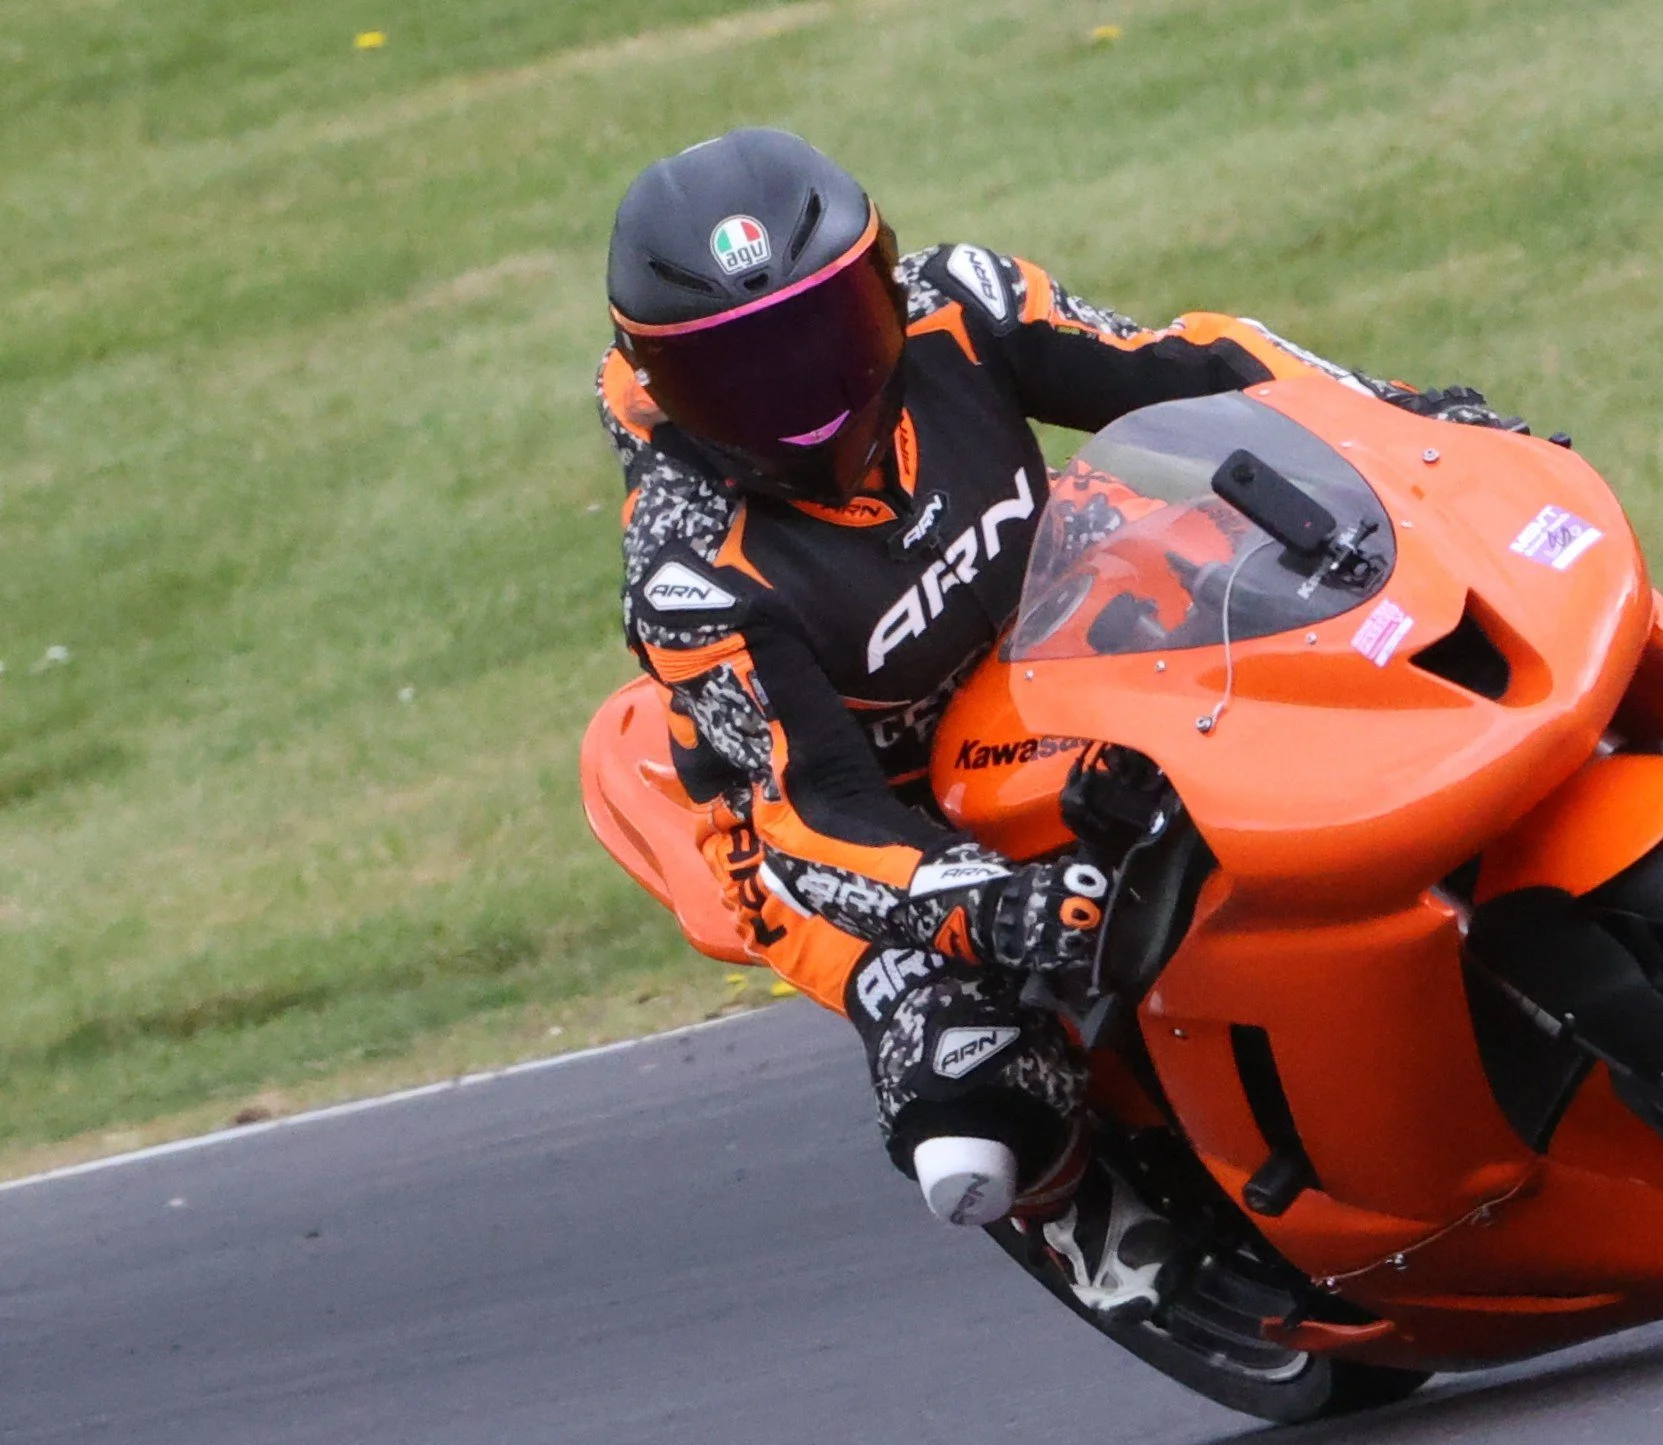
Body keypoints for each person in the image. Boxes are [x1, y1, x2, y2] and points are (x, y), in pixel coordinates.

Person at [599, 128, 1515, 1319]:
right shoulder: (689, 572)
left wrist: (1390, 422)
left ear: (883, 284)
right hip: (853, 812)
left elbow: (1189, 364)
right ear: (665, 387)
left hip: (1050, 647)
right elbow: (812, 812)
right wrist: (978, 901)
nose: (801, 396)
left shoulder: (963, 303)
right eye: (740, 376)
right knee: (966, 1099)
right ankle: (1089, 1221)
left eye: (826, 338)